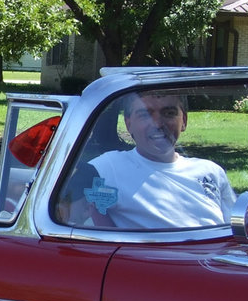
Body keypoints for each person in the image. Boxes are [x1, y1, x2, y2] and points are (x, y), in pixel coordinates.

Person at [65, 91, 235, 229]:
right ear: (128, 123)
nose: (158, 123)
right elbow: (67, 216)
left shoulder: (211, 171)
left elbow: (235, 231)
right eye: (145, 114)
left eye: (169, 113)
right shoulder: (106, 169)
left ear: (183, 121)